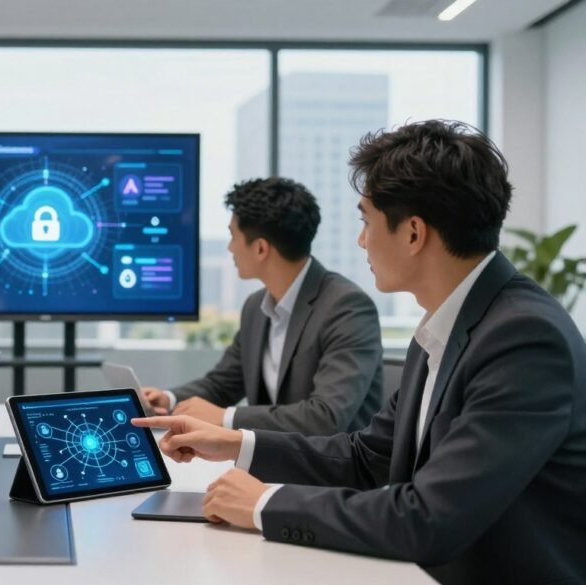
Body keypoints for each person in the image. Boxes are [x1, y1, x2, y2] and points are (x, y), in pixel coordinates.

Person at [133, 120, 586, 585]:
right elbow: (368, 457)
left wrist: (263, 505)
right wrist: (237, 443)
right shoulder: (448, 324)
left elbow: (428, 518)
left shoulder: (524, 338)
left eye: (366, 221)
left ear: (413, 234)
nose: (361, 240)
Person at [142, 177, 383, 435]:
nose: (230, 247)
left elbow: (324, 417)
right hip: (275, 463)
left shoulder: (347, 308)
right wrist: (168, 399)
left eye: (233, 236)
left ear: (260, 248)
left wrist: (225, 418)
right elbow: (222, 385)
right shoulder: (256, 307)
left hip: (331, 470)